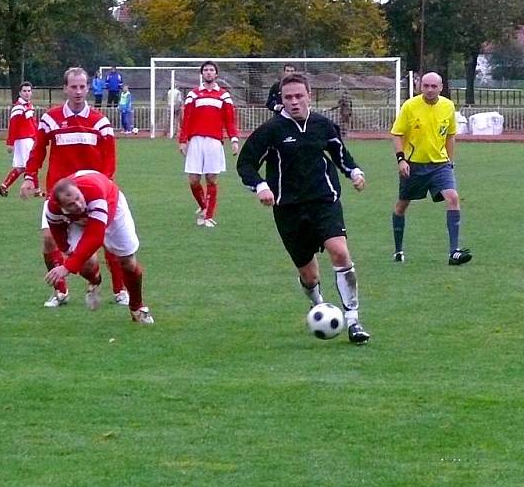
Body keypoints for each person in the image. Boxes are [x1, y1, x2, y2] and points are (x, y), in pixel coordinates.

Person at [237, 73, 371, 345]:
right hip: (288, 209)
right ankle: (318, 304)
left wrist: (354, 172)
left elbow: (340, 154)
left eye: (299, 96)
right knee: (309, 275)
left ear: (309, 95)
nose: (294, 102)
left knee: (340, 252)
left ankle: (354, 320)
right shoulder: (271, 131)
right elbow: (246, 164)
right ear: (281, 100)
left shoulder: (323, 125)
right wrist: (261, 186)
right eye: (288, 97)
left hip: (325, 201)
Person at [19, 67, 128, 308]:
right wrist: (30, 177)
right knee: (49, 240)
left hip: (92, 196)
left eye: (82, 86)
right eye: (73, 87)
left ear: (88, 88)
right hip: (58, 196)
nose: (78, 91)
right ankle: (60, 291)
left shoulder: (100, 121)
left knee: (107, 241)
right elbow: (38, 150)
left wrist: (104, 185)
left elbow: (109, 159)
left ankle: (119, 289)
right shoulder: (51, 118)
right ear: (65, 88)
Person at [45, 171, 154, 324]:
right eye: (71, 204)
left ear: (79, 190)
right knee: (84, 263)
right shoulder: (52, 210)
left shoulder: (93, 191)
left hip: (113, 207)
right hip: (77, 222)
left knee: (128, 262)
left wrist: (68, 266)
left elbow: (95, 237)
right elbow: (60, 239)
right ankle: (94, 281)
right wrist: (71, 256)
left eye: (78, 198)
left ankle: (137, 308)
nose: (78, 204)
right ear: (61, 206)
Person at [390, 71, 472, 265]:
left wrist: (450, 162)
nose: (429, 89)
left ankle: (454, 252)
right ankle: (398, 250)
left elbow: (450, 135)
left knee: (452, 197)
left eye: (434, 86)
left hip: (440, 164)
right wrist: (401, 160)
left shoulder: (448, 106)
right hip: (414, 165)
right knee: (402, 205)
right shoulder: (410, 106)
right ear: (420, 87)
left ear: (441, 88)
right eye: (426, 86)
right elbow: (397, 134)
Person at [178, 60, 240, 228]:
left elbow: (230, 120)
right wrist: (182, 141)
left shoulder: (224, 95)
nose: (209, 72)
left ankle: (209, 216)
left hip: (214, 141)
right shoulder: (194, 94)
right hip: (196, 140)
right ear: (202, 74)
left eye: (212, 70)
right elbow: (187, 119)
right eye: (206, 70)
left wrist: (234, 140)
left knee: (211, 179)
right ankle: (204, 206)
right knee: (193, 180)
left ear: (216, 74)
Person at [0, 81, 39, 197]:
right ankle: (36, 190)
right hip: (24, 140)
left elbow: (32, 123)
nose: (27, 93)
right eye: (24, 91)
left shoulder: (28, 105)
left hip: (28, 139)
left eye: (29, 91)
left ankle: (4, 186)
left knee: (20, 167)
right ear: (20, 93)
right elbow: (13, 126)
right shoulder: (19, 107)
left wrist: (37, 136)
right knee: (31, 164)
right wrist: (10, 143)